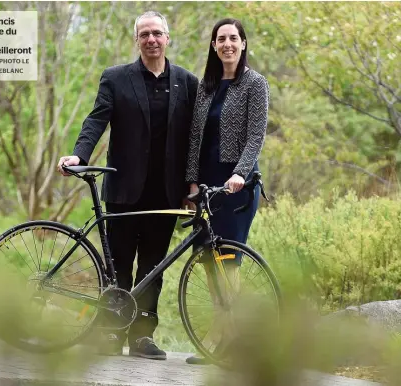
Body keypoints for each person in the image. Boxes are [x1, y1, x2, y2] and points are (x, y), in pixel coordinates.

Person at [57, 11, 198, 360]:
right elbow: (96, 120)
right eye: (144, 34)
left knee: (153, 267)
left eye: (157, 33)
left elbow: (196, 137)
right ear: (136, 40)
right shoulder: (116, 78)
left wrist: (198, 181)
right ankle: (110, 333)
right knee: (118, 263)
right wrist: (79, 154)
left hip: (165, 191)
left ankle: (141, 338)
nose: (151, 40)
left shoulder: (187, 82)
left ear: (168, 38)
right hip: (123, 188)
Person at [184, 18, 270, 365]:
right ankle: (227, 337)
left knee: (228, 262)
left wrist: (239, 173)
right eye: (221, 39)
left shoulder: (255, 84)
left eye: (233, 38)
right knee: (208, 261)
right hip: (206, 186)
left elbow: (256, 136)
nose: (227, 44)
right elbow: (193, 139)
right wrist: (191, 182)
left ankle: (226, 340)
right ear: (214, 46)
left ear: (243, 43)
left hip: (235, 188)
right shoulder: (205, 87)